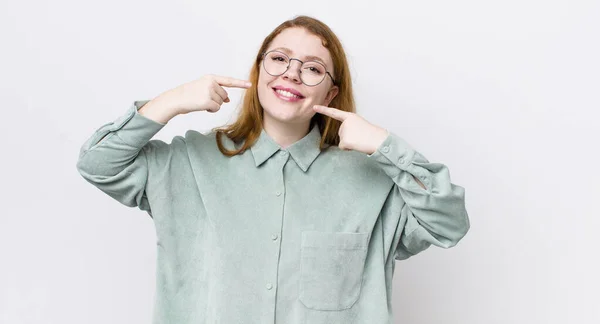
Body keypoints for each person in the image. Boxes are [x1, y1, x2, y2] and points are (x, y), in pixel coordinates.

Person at [76, 15, 470, 324]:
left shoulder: (372, 183)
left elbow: (449, 223)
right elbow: (97, 163)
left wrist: (386, 146)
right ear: (258, 73)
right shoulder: (187, 162)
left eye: (313, 68)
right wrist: (171, 102)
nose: (292, 73)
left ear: (330, 92)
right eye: (279, 59)